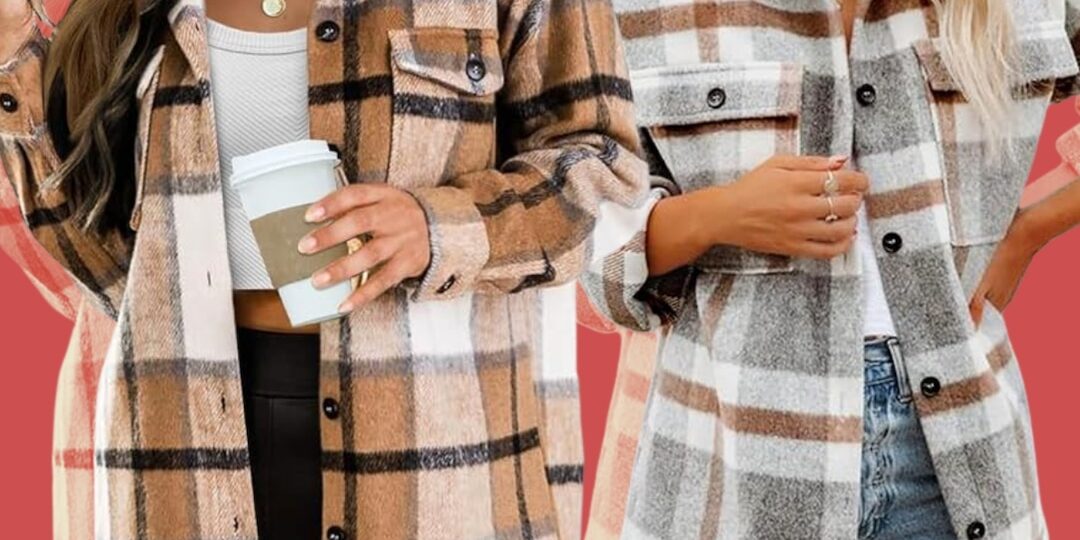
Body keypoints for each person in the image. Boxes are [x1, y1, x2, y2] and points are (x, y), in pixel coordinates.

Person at [0, 0, 645, 538]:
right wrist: (10, 46)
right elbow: (114, 271)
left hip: (434, 458)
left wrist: (436, 230)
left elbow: (605, 170)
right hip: (181, 449)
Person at [581, 1, 1080, 538]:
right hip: (728, 459)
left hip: (960, 451)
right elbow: (582, 251)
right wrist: (718, 214)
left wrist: (1031, 230)